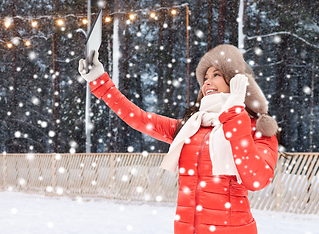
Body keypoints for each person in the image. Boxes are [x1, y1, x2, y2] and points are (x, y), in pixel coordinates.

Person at [78, 44, 279, 234]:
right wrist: (100, 81)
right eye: (205, 77)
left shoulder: (257, 129)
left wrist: (235, 115)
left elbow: (257, 180)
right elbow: (139, 118)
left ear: (236, 80)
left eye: (216, 75)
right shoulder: (190, 127)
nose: (207, 82)